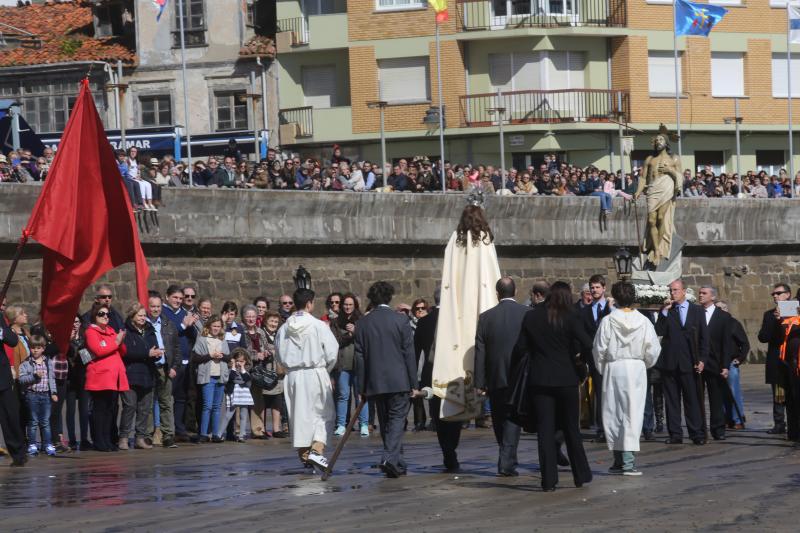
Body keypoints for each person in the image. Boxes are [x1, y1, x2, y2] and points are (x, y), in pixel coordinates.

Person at [516, 281, 593, 492]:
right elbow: (587, 343)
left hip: (540, 379)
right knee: (571, 429)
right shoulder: (570, 316)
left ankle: (548, 480)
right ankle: (580, 474)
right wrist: (578, 360)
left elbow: (521, 348)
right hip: (566, 378)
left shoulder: (531, 316)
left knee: (545, 431)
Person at [592, 282, 661, 476]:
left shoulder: (608, 321)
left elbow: (599, 349)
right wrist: (644, 364)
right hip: (635, 367)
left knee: (613, 411)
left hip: (614, 367)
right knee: (633, 411)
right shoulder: (644, 321)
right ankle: (627, 461)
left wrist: (604, 368)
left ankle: (618, 459)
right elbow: (653, 349)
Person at [355, 281, 418, 478]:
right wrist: (414, 383)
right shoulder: (400, 321)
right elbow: (409, 353)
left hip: (375, 381)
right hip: (399, 379)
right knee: (397, 421)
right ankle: (390, 458)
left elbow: (360, 357)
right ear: (389, 298)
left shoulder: (363, 323)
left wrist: (362, 385)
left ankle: (397, 463)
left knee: (386, 423)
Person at [275, 288, 338, 472]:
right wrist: (325, 370)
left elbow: (278, 354)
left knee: (299, 416)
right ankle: (316, 451)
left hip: (293, 375)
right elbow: (332, 352)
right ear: (310, 303)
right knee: (322, 413)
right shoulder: (319, 325)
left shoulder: (283, 328)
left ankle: (305, 455)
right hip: (315, 372)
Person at [474, 277, 529, 477]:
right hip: (519, 376)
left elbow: (480, 351)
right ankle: (506, 461)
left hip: (495, 377)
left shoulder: (486, 317)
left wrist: (479, 382)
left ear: (497, 293)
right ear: (515, 291)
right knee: (513, 418)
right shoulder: (526, 313)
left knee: (499, 418)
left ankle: (505, 455)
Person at [656, 279, 709, 445]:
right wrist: (664, 312)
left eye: (676, 290)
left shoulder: (697, 311)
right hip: (670, 363)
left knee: (692, 399)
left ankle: (696, 434)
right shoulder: (667, 311)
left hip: (690, 362)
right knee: (671, 401)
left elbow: (704, 338)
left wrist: (702, 359)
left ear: (684, 291)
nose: (673, 293)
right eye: (671, 291)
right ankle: (675, 434)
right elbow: (659, 331)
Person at [633, 125, 681, 267]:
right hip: (653, 190)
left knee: (661, 218)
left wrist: (670, 171)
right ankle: (656, 247)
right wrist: (638, 191)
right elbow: (643, 178)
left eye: (661, 139)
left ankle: (658, 250)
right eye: (657, 139)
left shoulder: (674, 159)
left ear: (666, 143)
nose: (658, 141)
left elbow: (680, 176)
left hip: (666, 189)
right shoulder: (649, 159)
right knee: (652, 221)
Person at [84, 302, 130, 452]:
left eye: (107, 314)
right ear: (94, 316)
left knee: (111, 410)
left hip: (114, 377)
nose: (105, 317)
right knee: (100, 410)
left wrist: (120, 341)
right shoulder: (91, 332)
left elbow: (121, 351)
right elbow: (98, 350)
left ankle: (108, 439)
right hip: (100, 377)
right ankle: (99, 440)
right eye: (101, 314)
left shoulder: (110, 330)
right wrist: (116, 342)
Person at [120, 303, 160, 450]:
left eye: (144, 315)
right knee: (129, 406)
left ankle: (140, 438)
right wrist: (146, 353)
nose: (143, 318)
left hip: (147, 374)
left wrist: (156, 354)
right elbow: (126, 352)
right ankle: (123, 437)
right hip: (130, 373)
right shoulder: (126, 331)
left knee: (144, 408)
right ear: (132, 316)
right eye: (140, 315)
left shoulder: (149, 330)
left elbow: (153, 347)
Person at [697, 286, 734, 441]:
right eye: (699, 293)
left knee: (716, 398)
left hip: (715, 363)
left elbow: (727, 343)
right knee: (697, 398)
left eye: (704, 293)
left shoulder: (723, 317)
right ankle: (699, 430)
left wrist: (725, 365)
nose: (700, 295)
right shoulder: (694, 313)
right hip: (697, 363)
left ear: (712, 297)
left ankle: (718, 429)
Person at [161, 285, 197, 441]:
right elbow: (168, 334)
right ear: (167, 297)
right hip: (171, 362)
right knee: (167, 397)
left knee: (182, 397)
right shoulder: (163, 312)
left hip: (186, 361)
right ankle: (165, 429)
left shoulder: (184, 313)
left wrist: (191, 325)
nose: (178, 301)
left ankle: (179, 428)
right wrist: (183, 325)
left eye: (180, 299)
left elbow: (192, 335)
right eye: (175, 297)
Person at [580, 274, 613, 442]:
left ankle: (612, 426)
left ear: (604, 288)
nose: (594, 290)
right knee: (599, 393)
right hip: (593, 359)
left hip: (611, 357)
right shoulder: (585, 311)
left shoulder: (611, 308)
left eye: (597, 287)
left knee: (611, 393)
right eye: (592, 288)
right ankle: (601, 428)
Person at [146, 294, 180, 448]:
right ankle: (147, 435)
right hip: (149, 368)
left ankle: (168, 436)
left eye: (158, 306)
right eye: (153, 306)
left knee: (166, 403)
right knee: (148, 403)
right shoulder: (143, 323)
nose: (156, 309)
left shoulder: (168, 323)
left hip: (165, 368)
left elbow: (176, 348)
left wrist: (174, 367)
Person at [332, 293, 368, 437]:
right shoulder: (335, 321)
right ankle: (341, 425)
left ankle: (364, 424)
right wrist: (350, 335)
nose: (347, 307)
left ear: (355, 306)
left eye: (350, 305)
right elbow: (336, 341)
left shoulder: (362, 321)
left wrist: (356, 331)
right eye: (345, 304)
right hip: (343, 364)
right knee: (343, 395)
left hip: (359, 364)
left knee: (361, 396)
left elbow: (366, 339)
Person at [758, 283, 792, 435]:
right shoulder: (769, 315)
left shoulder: (795, 312)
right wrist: (776, 321)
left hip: (792, 359)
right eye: (773, 294)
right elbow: (763, 337)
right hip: (777, 360)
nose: (775, 296)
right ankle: (779, 424)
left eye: (778, 293)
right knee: (779, 394)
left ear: (788, 294)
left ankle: (794, 424)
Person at [17, 335, 58, 457]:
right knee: (33, 421)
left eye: (38, 348)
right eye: (33, 348)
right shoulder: (26, 363)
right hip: (32, 395)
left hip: (45, 395)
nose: (35, 350)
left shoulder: (48, 362)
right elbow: (22, 379)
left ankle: (47, 444)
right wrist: (34, 376)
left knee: (45, 421)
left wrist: (54, 392)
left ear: (43, 349)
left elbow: (51, 378)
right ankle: (32, 444)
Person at [192, 315, 230, 443]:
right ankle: (203, 433)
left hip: (220, 376)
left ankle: (215, 434)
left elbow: (228, 358)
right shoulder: (202, 339)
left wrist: (222, 356)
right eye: (214, 326)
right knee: (207, 406)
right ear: (209, 326)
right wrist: (210, 356)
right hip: (207, 376)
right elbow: (195, 358)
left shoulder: (222, 340)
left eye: (218, 326)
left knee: (217, 407)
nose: (216, 328)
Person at [716, 300, 749, 430]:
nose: (720, 311)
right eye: (717, 308)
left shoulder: (733, 324)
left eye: (722, 308)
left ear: (727, 309)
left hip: (730, 362)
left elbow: (745, 344)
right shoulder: (712, 324)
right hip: (716, 362)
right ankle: (724, 417)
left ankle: (737, 419)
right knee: (719, 392)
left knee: (733, 390)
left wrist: (739, 359)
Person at [0, 308, 26, 465]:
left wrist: (1, 333)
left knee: (9, 416)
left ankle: (18, 453)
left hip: (1, 377)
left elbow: (12, 340)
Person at [259, 311, 287, 439]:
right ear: (265, 321)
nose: (273, 324)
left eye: (276, 322)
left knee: (277, 401)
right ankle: (262, 428)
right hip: (265, 371)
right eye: (271, 321)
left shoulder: (280, 334)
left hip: (278, 371)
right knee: (264, 401)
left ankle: (276, 428)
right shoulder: (261, 333)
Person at [220, 348, 254, 442]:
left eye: (241, 361)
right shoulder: (231, 369)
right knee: (228, 414)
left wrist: (242, 368)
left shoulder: (246, 370)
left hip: (244, 394)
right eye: (237, 361)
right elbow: (232, 378)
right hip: (234, 393)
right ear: (234, 360)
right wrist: (234, 366)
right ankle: (219, 434)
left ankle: (242, 435)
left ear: (245, 361)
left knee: (243, 415)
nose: (239, 363)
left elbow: (246, 379)